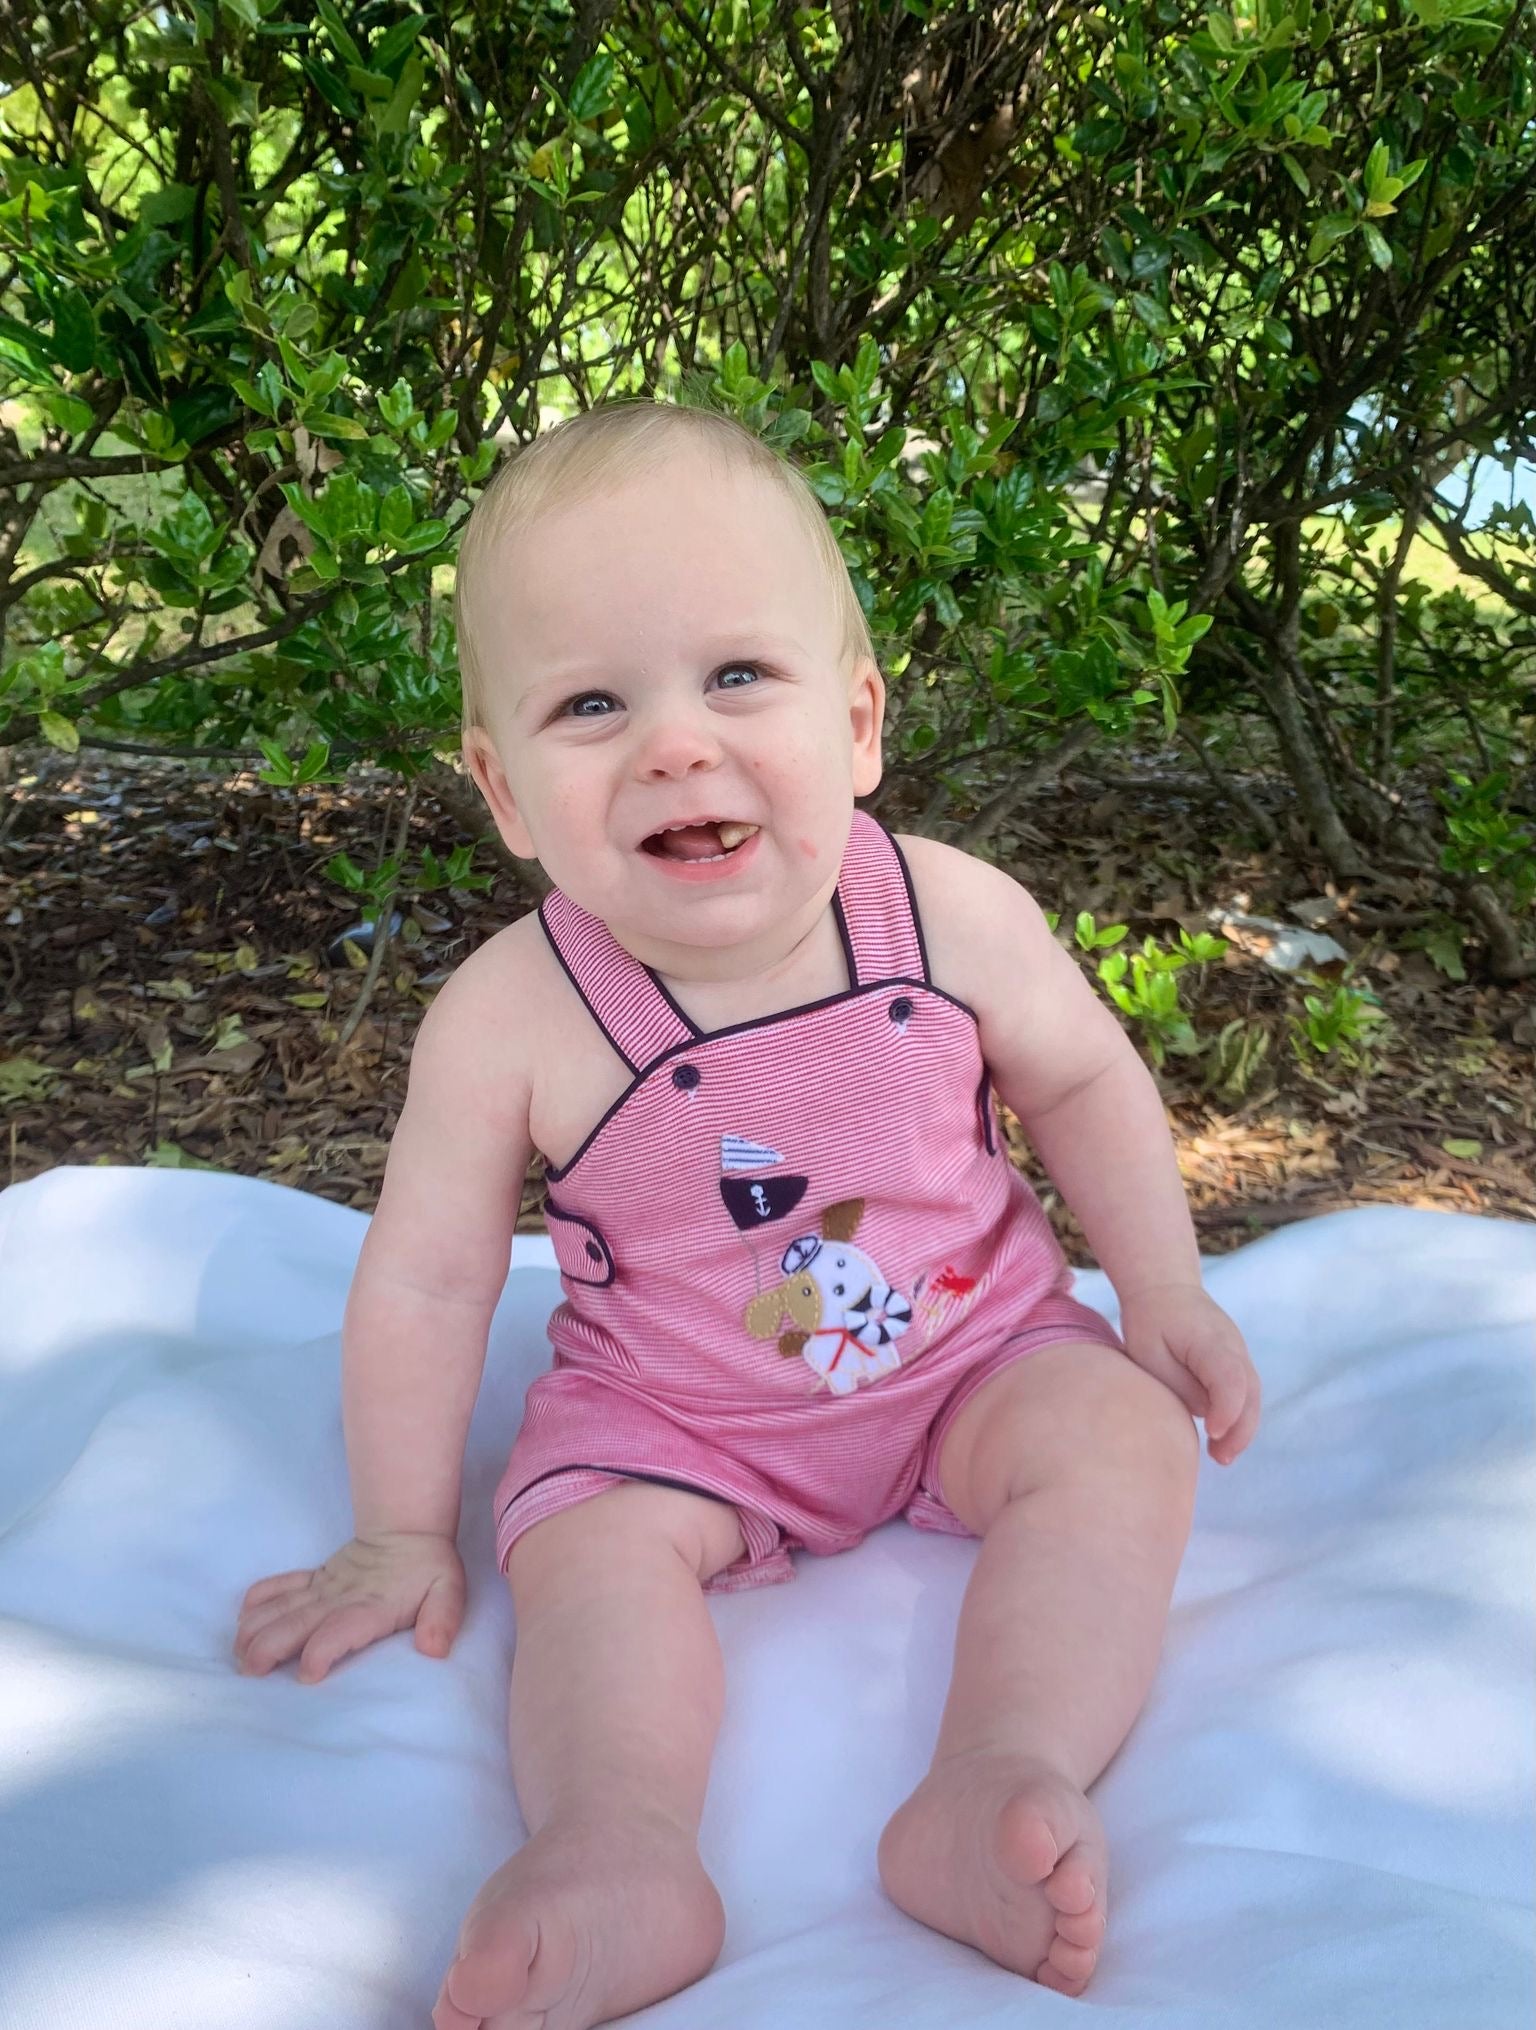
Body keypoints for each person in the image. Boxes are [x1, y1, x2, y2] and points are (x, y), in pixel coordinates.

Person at [233, 400, 1262, 2029]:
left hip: (969, 1351)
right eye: (590, 703)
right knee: (586, 1555)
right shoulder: (511, 1016)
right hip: (676, 1419)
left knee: (1122, 1440)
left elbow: (1081, 1081)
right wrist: (401, 1528)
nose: (673, 744)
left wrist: (1166, 1292)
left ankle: (1000, 1771)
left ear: (857, 723)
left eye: (735, 675)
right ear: (504, 790)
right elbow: (429, 1278)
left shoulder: (948, 912)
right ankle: (618, 1842)